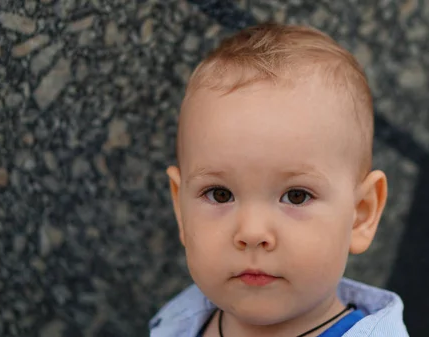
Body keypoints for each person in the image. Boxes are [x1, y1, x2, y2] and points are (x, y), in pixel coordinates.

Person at [149, 22, 409, 337]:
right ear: (180, 208)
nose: (252, 233)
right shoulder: (179, 321)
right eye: (219, 194)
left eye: (296, 196)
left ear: (361, 214)